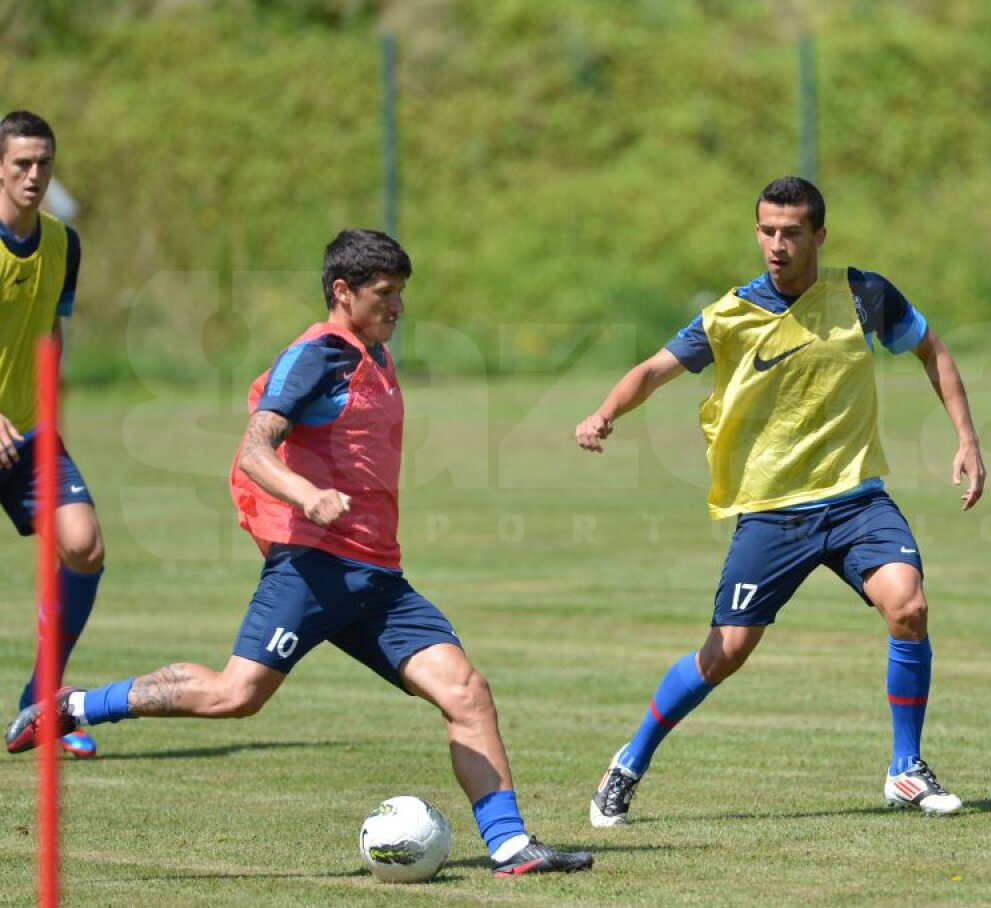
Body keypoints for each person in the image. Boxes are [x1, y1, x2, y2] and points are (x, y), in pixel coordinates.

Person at [7, 229, 594, 878]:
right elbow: (255, 449)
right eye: (385, 293)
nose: (398, 306)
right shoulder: (316, 356)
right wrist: (307, 494)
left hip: (378, 576)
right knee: (236, 695)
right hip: (311, 568)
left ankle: (510, 847)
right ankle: (77, 707)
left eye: (401, 292)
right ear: (342, 292)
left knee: (466, 690)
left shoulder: (375, 355)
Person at [576, 176, 986, 826]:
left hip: (856, 501)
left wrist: (966, 437)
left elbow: (931, 349)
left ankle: (906, 768)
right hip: (773, 512)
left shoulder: (863, 295)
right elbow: (654, 368)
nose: (777, 244)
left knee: (908, 607)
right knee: (726, 652)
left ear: (819, 235)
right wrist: (604, 412)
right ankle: (628, 761)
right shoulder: (730, 315)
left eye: (791, 232)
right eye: (767, 230)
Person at [0, 110, 103, 759]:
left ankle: (42, 701)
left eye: (44, 163)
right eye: (22, 163)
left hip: (30, 435)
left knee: (83, 546)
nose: (34, 175)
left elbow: (51, 327)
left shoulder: (64, 243)